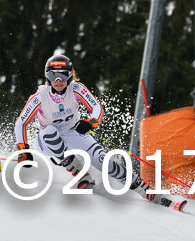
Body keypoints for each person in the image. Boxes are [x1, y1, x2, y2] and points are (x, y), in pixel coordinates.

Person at [14, 54, 160, 203]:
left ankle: (143, 188)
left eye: (63, 75)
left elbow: (97, 108)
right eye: (53, 75)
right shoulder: (40, 97)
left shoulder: (76, 89)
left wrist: (90, 122)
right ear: (47, 76)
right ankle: (81, 175)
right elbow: (21, 123)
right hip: (46, 140)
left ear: (70, 75)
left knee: (102, 160)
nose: (58, 81)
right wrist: (22, 148)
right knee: (50, 132)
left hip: (73, 132)